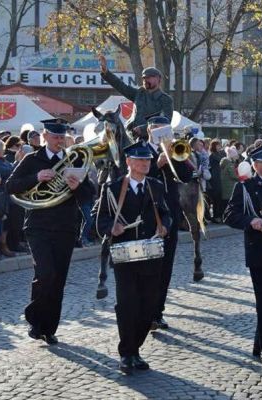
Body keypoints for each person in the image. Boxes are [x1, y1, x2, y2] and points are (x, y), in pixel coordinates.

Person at [6, 118, 94, 345]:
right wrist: (36, 177)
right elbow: (10, 186)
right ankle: (35, 318)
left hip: (66, 227)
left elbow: (89, 196)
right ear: (45, 136)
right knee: (45, 274)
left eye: (62, 137)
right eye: (55, 137)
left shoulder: (72, 160)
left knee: (58, 279)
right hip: (38, 225)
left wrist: (79, 186)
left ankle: (49, 328)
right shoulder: (31, 159)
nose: (59, 141)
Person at [93, 142, 171, 374]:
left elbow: (166, 213)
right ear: (128, 162)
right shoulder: (114, 187)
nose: (145, 164)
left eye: (147, 160)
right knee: (127, 304)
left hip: (151, 255)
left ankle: (135, 349)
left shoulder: (155, 186)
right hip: (125, 255)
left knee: (148, 306)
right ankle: (127, 353)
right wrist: (111, 227)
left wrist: (164, 226)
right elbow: (98, 218)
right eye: (140, 160)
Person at [223, 144, 262, 367]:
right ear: (256, 166)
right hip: (259, 251)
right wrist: (250, 220)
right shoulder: (246, 188)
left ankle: (259, 345)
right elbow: (229, 214)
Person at [143, 116, 194, 328]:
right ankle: (144, 311)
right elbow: (138, 177)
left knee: (166, 265)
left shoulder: (174, 148)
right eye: (157, 128)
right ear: (149, 130)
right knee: (147, 267)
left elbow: (186, 176)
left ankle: (158, 312)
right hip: (147, 213)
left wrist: (174, 157)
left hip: (170, 212)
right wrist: (156, 164)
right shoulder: (141, 150)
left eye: (165, 128)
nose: (161, 132)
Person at [99, 55, 173, 131]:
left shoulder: (165, 99)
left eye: (148, 77)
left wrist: (143, 129)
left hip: (150, 138)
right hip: (131, 133)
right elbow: (121, 86)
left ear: (158, 79)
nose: (145, 80)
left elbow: (165, 122)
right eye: (144, 78)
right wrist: (106, 72)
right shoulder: (138, 93)